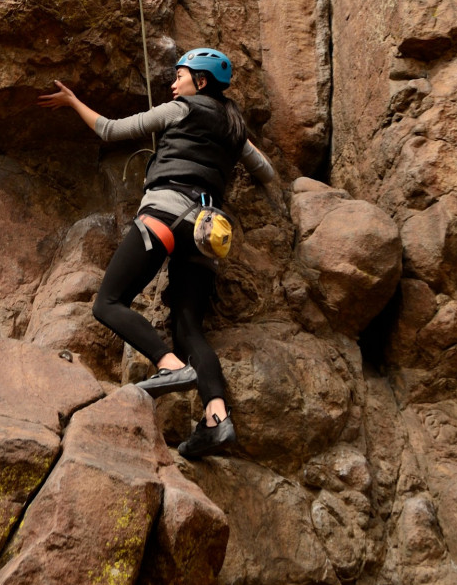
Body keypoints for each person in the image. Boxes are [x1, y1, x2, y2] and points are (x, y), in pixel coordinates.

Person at [38, 48, 278, 460]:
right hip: (205, 231)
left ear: (200, 82)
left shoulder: (179, 109)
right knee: (190, 329)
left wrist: (73, 102)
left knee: (108, 302)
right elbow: (266, 171)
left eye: (180, 75)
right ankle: (217, 418)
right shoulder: (235, 128)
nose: (172, 83)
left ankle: (168, 365)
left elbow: (112, 130)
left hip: (166, 213)